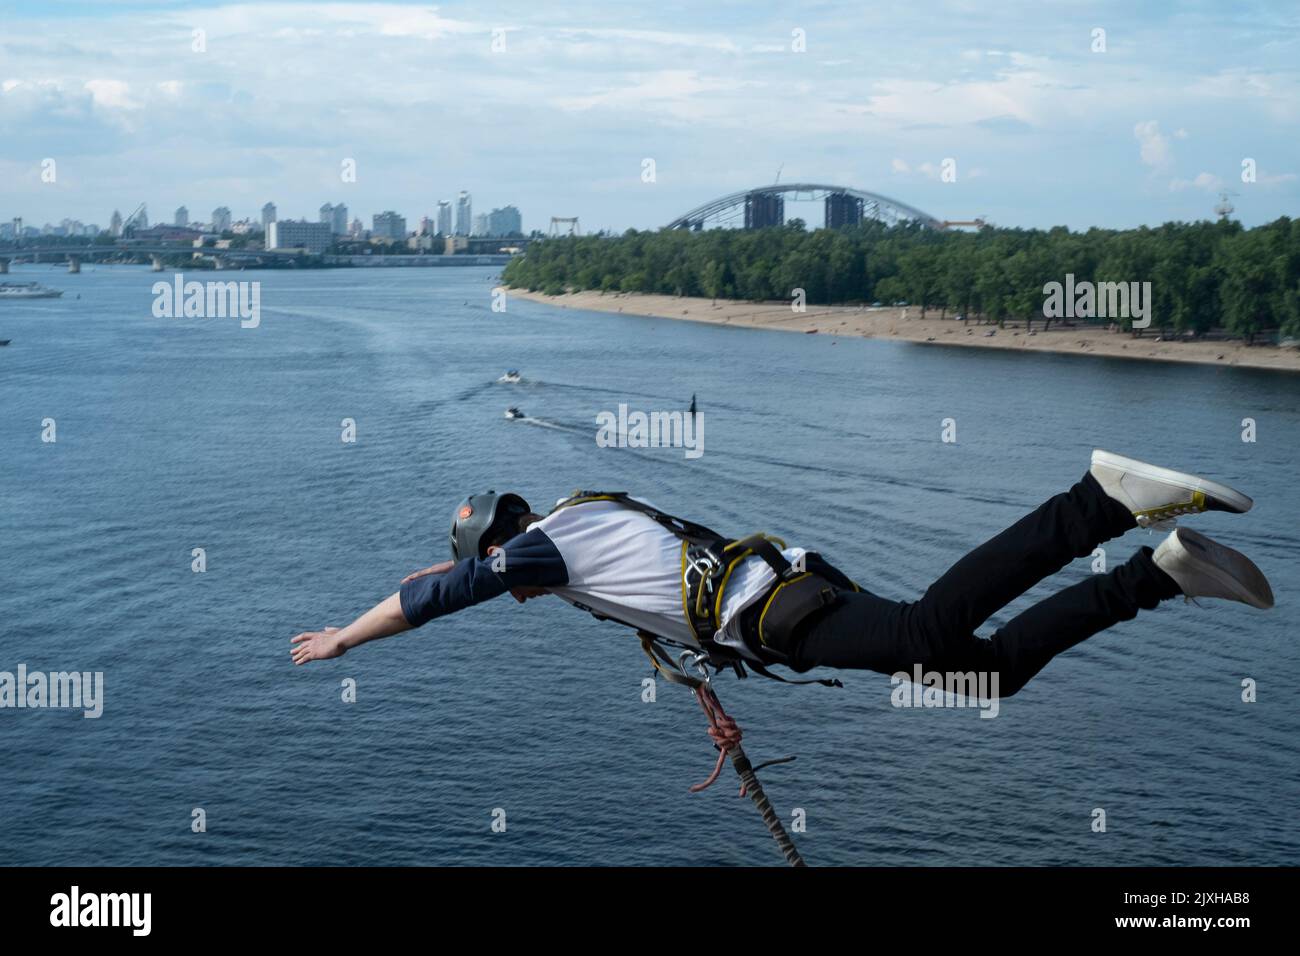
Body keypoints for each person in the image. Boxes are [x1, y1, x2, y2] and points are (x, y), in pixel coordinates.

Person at [291, 450, 1274, 698]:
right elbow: (462, 572)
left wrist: (344, 635)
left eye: (499, 570)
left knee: (932, 635)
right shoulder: (572, 522)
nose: (513, 591)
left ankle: (1096, 503)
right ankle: (1162, 573)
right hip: (786, 591)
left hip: (778, 615)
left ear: (504, 546)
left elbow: (441, 594)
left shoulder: (545, 550)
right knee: (987, 675)